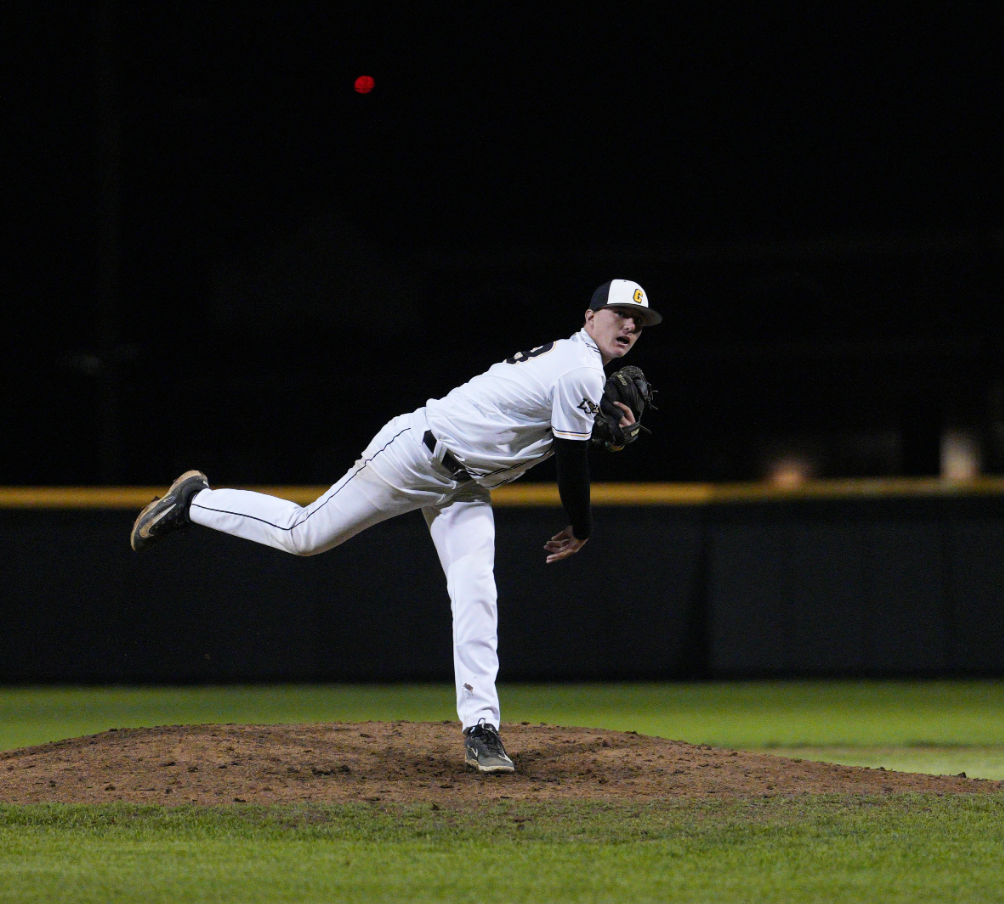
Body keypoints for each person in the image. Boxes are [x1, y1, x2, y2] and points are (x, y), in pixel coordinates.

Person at [130, 279, 659, 772]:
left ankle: (481, 728)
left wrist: (598, 427)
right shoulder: (580, 369)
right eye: (621, 314)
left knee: (476, 589)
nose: (631, 326)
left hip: (463, 485)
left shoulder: (577, 368)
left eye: (639, 320)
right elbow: (571, 464)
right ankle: (194, 502)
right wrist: (582, 526)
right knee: (303, 535)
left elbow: (560, 431)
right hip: (414, 456)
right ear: (590, 317)